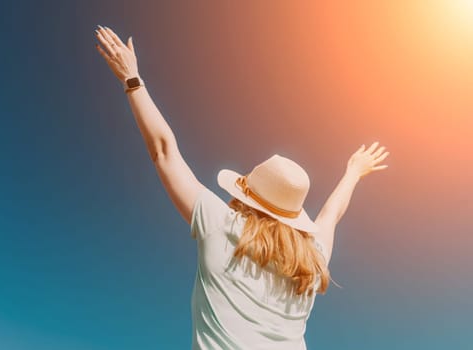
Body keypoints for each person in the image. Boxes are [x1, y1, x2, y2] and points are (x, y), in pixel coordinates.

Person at [94, 25, 390, 350]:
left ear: (245, 198)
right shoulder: (312, 261)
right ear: (293, 214)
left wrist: (132, 80)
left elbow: (164, 151)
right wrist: (353, 172)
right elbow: (331, 216)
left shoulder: (220, 224)